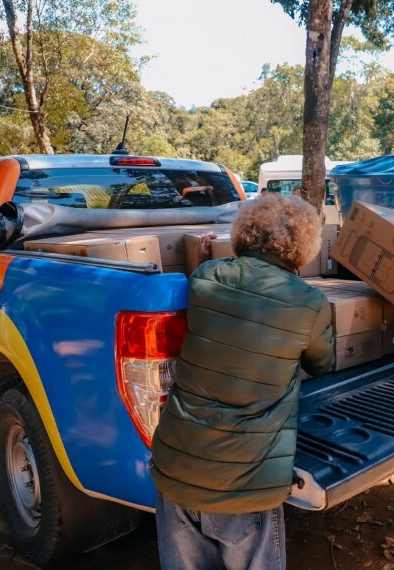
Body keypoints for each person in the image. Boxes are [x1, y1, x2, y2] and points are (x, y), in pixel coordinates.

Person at [151, 194, 335, 570]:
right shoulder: (309, 303)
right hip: (246, 482)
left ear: (244, 234)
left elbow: (218, 293)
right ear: (304, 248)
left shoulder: (204, 278)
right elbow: (323, 364)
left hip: (177, 472)